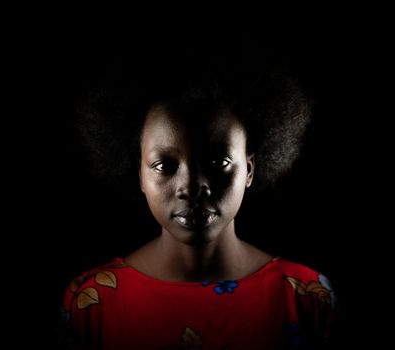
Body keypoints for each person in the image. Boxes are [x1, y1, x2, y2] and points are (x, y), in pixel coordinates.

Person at [59, 46, 337, 349]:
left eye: (219, 163)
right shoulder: (91, 304)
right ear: (139, 174)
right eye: (164, 166)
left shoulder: (306, 299)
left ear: (249, 169)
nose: (191, 187)